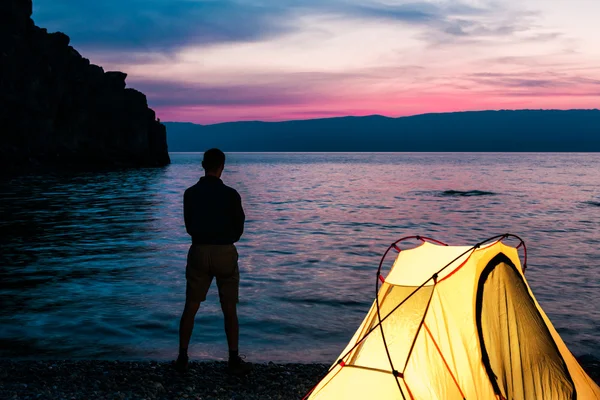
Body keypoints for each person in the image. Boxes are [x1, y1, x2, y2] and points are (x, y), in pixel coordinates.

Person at [174, 148, 252, 376]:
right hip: (224, 251)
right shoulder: (231, 194)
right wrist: (227, 239)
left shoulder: (190, 193)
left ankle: (182, 357)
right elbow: (239, 228)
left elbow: (189, 225)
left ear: (202, 165)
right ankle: (233, 358)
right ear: (222, 166)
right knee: (229, 308)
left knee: (191, 305)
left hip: (198, 250)